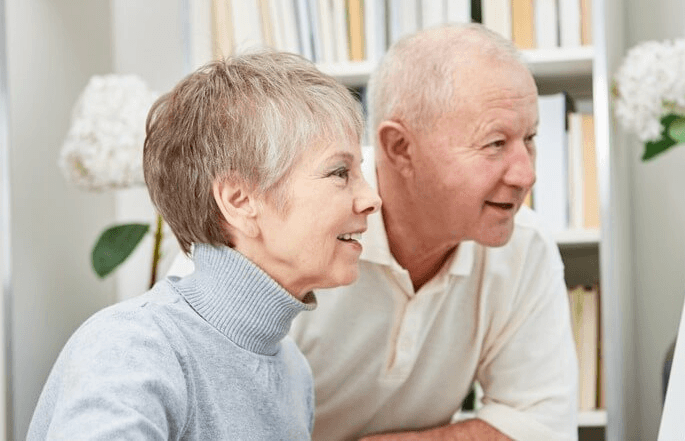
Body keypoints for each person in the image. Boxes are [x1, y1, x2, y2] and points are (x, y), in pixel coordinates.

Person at [27, 51, 381, 439]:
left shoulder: (293, 371)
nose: (371, 199)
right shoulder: (130, 345)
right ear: (240, 201)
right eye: (339, 172)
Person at [290, 23, 578, 441]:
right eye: (495, 143)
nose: (526, 174)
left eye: (529, 138)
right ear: (399, 148)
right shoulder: (279, 226)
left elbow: (542, 427)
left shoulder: (525, 246)